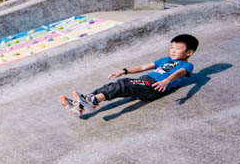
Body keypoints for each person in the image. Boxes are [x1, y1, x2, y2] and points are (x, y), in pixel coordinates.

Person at [59, 34, 198, 118]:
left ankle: (92, 100)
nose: (173, 51)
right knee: (113, 85)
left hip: (155, 87)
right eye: (171, 48)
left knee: (123, 84)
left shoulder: (186, 65)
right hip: (144, 82)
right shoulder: (164, 60)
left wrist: (167, 81)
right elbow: (143, 67)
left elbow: (179, 73)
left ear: (189, 52)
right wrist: (124, 70)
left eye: (178, 49)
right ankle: (81, 105)